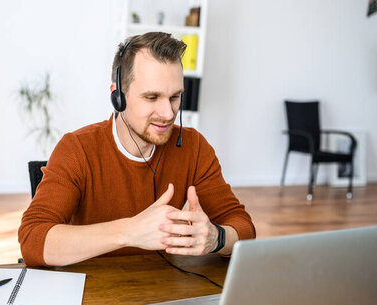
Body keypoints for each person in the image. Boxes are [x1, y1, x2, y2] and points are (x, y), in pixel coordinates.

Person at [18, 32, 255, 267]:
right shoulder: (77, 149)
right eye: (152, 97)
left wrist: (216, 237)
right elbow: (33, 240)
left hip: (159, 294)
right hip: (92, 294)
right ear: (118, 96)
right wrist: (129, 231)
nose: (168, 113)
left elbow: (243, 227)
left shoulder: (194, 147)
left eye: (175, 97)